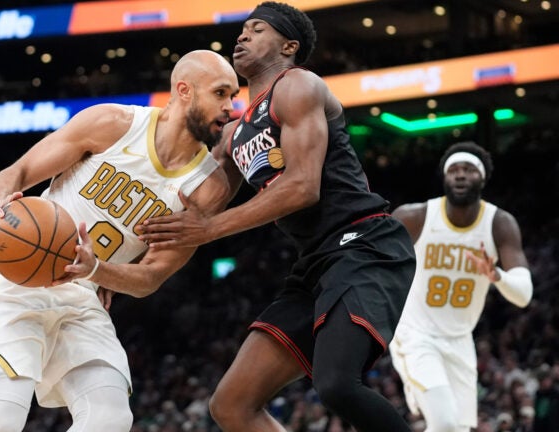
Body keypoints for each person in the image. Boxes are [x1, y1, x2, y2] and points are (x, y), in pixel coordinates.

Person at [0, 49, 239, 432]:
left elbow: (151, 277)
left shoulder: (206, 188)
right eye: (221, 93)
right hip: (21, 279)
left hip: (84, 296)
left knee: (109, 418)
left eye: (233, 95)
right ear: (184, 91)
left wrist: (98, 270)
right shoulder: (113, 123)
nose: (232, 106)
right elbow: (18, 171)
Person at [137, 3, 416, 431]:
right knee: (231, 404)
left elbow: (304, 187)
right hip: (314, 265)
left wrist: (209, 229)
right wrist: (117, 266)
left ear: (289, 46)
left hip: (363, 244)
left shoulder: (298, 86)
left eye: (257, 29)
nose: (242, 36)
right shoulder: (232, 132)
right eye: (242, 29)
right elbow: (195, 206)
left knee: (338, 384)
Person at [388, 141, 533, 432]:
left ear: (482, 177)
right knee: (444, 423)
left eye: (468, 169)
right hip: (416, 334)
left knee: (458, 430)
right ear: (444, 177)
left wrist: (497, 277)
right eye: (454, 169)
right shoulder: (415, 217)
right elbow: (374, 264)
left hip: (460, 340)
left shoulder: (499, 224)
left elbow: (524, 295)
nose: (461, 175)